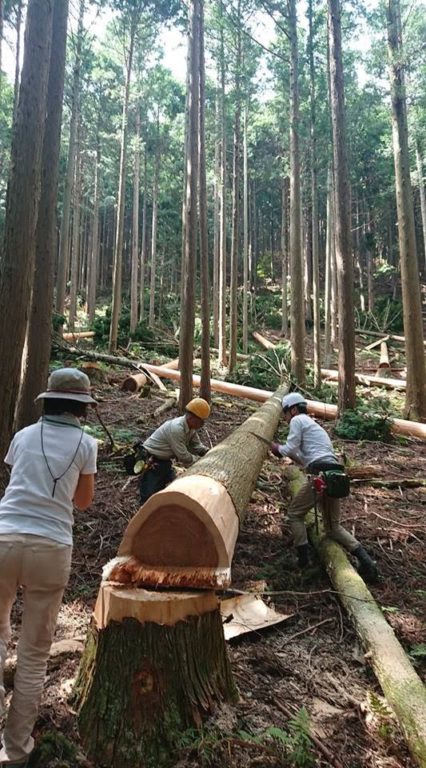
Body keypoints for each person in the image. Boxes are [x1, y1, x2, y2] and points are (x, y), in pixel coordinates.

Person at [0, 368, 98, 768]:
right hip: (52, 546)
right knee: (34, 652)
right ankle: (17, 750)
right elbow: (84, 502)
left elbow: (17, 481)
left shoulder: (23, 436)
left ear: (48, 401)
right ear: (82, 408)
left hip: (4, 537)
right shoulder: (86, 444)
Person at [270, 392, 378, 582]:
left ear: (293, 409)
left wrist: (277, 449)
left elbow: (289, 448)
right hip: (334, 474)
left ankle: (303, 560)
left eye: (285, 413)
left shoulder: (298, 421)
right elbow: (304, 458)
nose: (285, 418)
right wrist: (284, 452)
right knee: (333, 527)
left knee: (295, 514)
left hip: (320, 475)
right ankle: (367, 561)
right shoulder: (313, 426)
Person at [138, 397, 211, 505]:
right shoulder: (177, 428)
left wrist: (208, 452)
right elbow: (183, 455)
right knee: (149, 495)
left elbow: (196, 446)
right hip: (151, 460)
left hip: (164, 461)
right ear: (192, 418)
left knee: (172, 486)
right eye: (201, 421)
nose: (202, 425)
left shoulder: (191, 429)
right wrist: (201, 462)